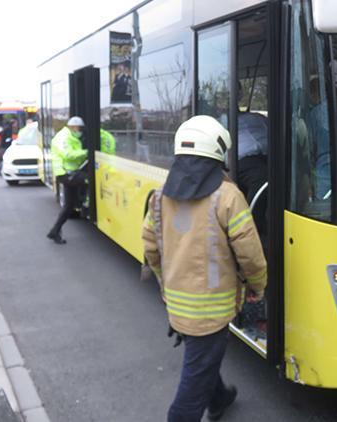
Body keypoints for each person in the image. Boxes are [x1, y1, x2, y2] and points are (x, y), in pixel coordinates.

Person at [142, 115, 267, 422]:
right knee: (190, 390)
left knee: (202, 360)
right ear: (218, 152)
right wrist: (257, 285)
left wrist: (164, 283)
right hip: (212, 309)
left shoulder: (159, 197)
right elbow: (250, 254)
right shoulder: (228, 197)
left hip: (177, 303)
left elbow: (150, 250)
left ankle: (220, 398)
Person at [46, 116, 88, 244]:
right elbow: (68, 154)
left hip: (69, 172)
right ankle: (84, 202)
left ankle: (54, 231)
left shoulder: (70, 136)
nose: (80, 131)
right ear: (73, 127)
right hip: (65, 173)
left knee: (69, 206)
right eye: (79, 128)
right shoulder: (63, 137)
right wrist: (87, 152)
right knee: (88, 179)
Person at [236, 83, 269, 234]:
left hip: (270, 156)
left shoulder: (257, 117)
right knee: (262, 179)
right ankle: (252, 227)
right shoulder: (222, 121)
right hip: (244, 161)